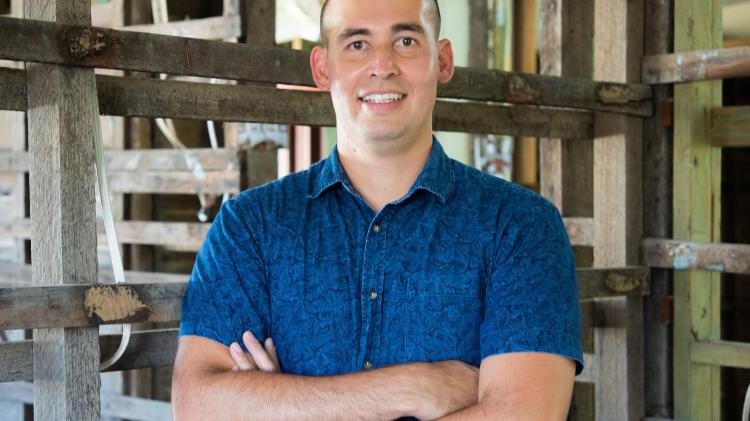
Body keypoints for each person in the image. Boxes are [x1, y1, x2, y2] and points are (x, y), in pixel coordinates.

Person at [172, 0, 583, 419]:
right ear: (322, 68)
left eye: (405, 41)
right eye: (356, 45)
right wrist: (413, 388)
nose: (382, 65)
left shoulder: (521, 226)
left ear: (442, 61)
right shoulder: (250, 226)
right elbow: (196, 406)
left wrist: (281, 402)